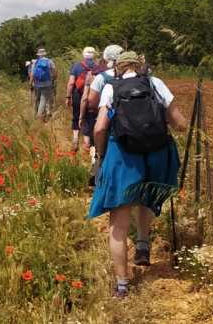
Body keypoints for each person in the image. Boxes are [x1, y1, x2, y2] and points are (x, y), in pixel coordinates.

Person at [86, 51, 188, 298]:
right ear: (141, 66)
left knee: (118, 224)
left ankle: (122, 285)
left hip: (123, 157)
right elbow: (181, 124)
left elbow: (100, 128)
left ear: (118, 69)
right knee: (146, 198)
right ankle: (143, 246)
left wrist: (100, 156)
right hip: (155, 155)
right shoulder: (155, 84)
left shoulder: (112, 88)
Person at [80, 44, 122, 185]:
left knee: (102, 151)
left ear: (106, 58)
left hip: (107, 121)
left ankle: (100, 179)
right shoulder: (134, 76)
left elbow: (91, 101)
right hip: (131, 122)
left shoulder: (102, 77)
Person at [66, 47, 101, 151]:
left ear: (83, 54)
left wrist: (68, 96)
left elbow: (71, 83)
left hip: (77, 94)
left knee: (76, 116)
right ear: (94, 55)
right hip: (91, 95)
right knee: (89, 118)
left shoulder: (76, 66)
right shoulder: (97, 67)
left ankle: (75, 139)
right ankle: (87, 143)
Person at [29, 48, 56, 122]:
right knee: (43, 100)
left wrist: (30, 83)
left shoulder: (35, 62)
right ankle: (39, 116)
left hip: (37, 84)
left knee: (36, 99)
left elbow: (32, 74)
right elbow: (54, 72)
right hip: (47, 84)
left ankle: (35, 115)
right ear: (45, 54)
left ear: (38, 55)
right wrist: (53, 79)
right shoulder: (50, 61)